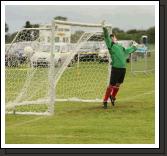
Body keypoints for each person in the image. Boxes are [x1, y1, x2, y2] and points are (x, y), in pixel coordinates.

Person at [101, 20, 138, 109]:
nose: (114, 38)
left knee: (118, 84)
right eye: (113, 37)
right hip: (116, 68)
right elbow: (106, 36)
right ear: (111, 39)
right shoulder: (111, 45)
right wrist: (104, 28)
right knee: (111, 85)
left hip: (123, 69)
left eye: (114, 37)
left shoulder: (120, 47)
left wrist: (135, 46)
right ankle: (105, 101)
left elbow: (128, 51)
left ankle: (112, 97)